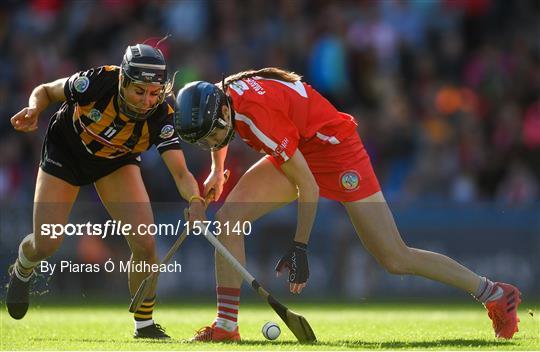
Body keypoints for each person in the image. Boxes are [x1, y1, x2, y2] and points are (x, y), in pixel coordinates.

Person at [173, 68, 522, 342]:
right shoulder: (226, 94)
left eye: (209, 137)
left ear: (220, 112)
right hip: (300, 147)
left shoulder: (258, 119)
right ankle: (226, 326)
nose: (209, 143)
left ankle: (494, 293)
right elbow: (235, 133)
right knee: (230, 217)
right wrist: (219, 171)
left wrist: (300, 247)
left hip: (338, 154)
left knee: (394, 257)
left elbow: (306, 184)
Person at [6, 43, 207, 339]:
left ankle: (144, 324)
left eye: (154, 93)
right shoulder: (98, 81)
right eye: (139, 91)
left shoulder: (161, 115)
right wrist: (35, 108)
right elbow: (47, 91)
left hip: (115, 162)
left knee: (145, 242)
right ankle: (23, 266)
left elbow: (180, 172)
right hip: (67, 152)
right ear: (123, 80)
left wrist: (195, 200)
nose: (146, 101)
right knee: (47, 243)